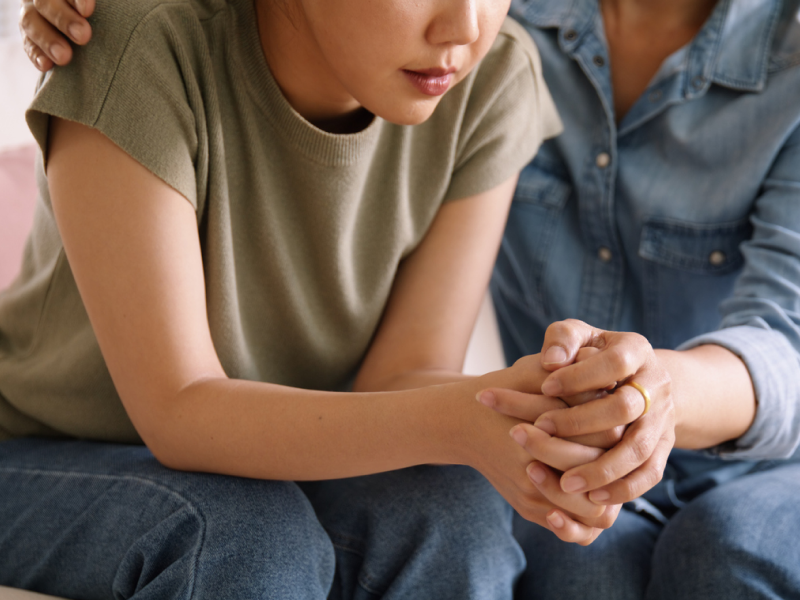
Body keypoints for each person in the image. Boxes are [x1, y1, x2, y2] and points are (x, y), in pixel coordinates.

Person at [0, 0, 591, 597]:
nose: (465, 28)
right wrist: (460, 419)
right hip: (48, 452)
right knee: (241, 534)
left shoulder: (492, 75)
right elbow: (178, 411)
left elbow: (403, 374)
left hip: (289, 463)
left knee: (453, 513)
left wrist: (530, 407)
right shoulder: (142, 42)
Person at [478, 0, 800, 598]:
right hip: (565, 453)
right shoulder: (494, 23)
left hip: (774, 467)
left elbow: (790, 342)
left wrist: (656, 394)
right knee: (580, 571)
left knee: (728, 551)